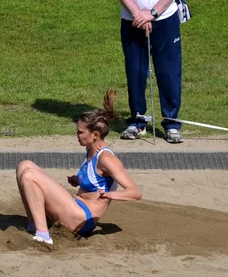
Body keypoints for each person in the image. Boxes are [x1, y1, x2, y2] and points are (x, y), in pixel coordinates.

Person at [16, 90, 142, 245]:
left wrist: (111, 195)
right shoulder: (90, 149)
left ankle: (44, 235)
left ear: (95, 135)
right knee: (24, 165)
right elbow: (95, 180)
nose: (76, 135)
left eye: (80, 132)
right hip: (75, 205)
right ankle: (34, 224)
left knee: (29, 175)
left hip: (81, 218)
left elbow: (135, 193)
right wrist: (78, 180)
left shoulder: (107, 159)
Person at [111, 0, 185, 143]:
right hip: (132, 20)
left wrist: (152, 13)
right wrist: (138, 14)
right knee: (136, 71)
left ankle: (171, 124)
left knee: (169, 72)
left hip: (165, 19)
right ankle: (137, 121)